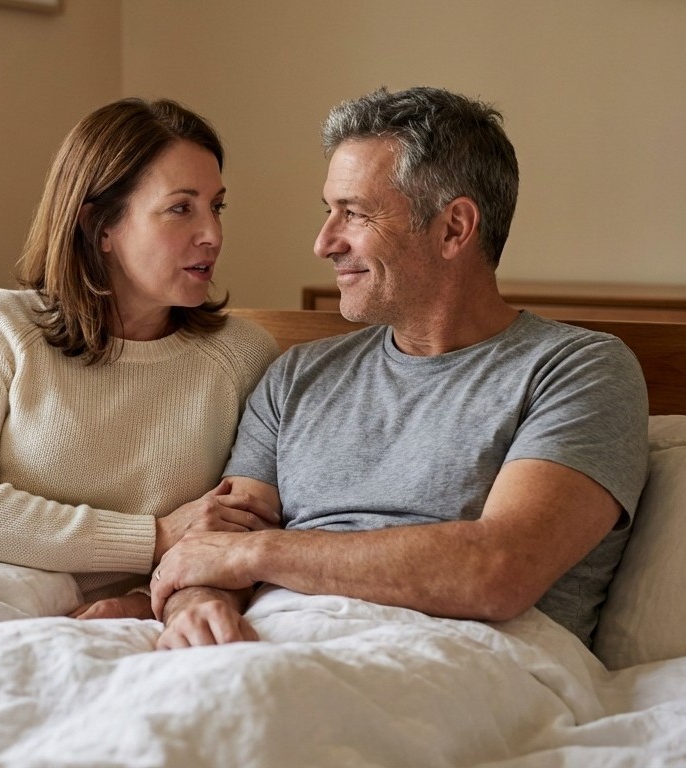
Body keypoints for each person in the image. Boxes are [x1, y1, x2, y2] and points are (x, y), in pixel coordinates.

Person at [150, 86, 649, 649]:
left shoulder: (578, 371)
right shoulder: (297, 377)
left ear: (454, 227)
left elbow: (499, 570)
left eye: (355, 214)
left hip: (463, 660)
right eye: (328, 211)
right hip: (272, 644)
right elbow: (215, 547)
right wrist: (198, 608)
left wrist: (256, 554)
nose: (323, 243)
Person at [0, 97, 283, 620]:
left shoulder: (242, 356)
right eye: (181, 208)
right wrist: (152, 537)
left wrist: (140, 602)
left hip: (145, 614)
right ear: (100, 226)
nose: (212, 235)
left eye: (216, 207)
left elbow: (247, 530)